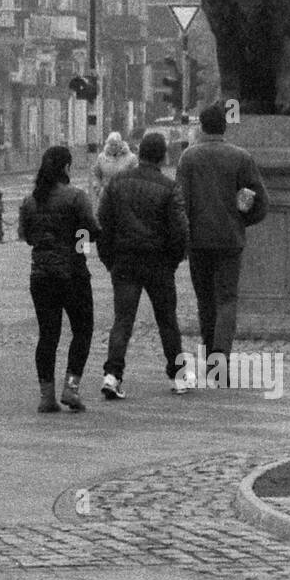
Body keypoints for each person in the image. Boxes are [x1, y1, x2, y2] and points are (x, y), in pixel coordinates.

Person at [174, 103, 268, 385]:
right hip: (230, 239)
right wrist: (243, 221)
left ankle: (209, 359)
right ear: (225, 127)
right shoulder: (241, 157)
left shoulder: (189, 158)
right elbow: (262, 202)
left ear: (202, 126)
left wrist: (183, 236)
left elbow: (179, 202)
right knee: (227, 299)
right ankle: (220, 362)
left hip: (199, 241)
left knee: (205, 300)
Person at [96, 132, 190, 399]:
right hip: (158, 262)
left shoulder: (117, 184)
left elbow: (103, 224)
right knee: (167, 321)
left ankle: (112, 375)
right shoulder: (169, 187)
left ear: (139, 153)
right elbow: (180, 231)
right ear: (163, 156)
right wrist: (172, 261)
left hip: (124, 261)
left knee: (122, 322)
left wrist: (109, 260)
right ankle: (178, 375)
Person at [18, 145, 97, 413]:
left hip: (40, 275)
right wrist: (79, 244)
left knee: (48, 335)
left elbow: (28, 237)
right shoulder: (77, 197)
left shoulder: (31, 201)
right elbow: (91, 231)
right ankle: (71, 388)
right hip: (73, 274)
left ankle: (46, 396)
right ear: (66, 168)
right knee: (82, 330)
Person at [91, 131, 138, 206]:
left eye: (115, 145)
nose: (113, 147)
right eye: (111, 145)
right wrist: (98, 189)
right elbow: (96, 175)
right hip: (106, 196)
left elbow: (136, 177)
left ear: (120, 144)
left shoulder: (131, 158)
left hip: (124, 198)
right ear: (107, 144)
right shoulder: (101, 158)